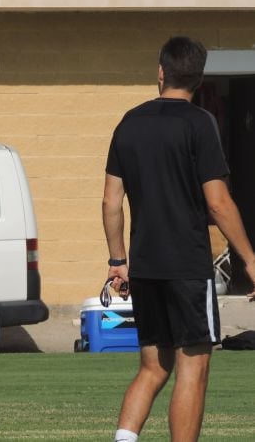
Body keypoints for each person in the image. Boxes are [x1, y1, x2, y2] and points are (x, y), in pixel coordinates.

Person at [102, 36, 255, 442]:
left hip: (146, 267)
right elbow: (219, 203)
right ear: (199, 78)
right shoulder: (200, 123)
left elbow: (111, 201)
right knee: (194, 367)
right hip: (187, 266)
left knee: (153, 368)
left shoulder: (128, 122)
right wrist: (251, 260)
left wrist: (118, 261)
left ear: (160, 72)